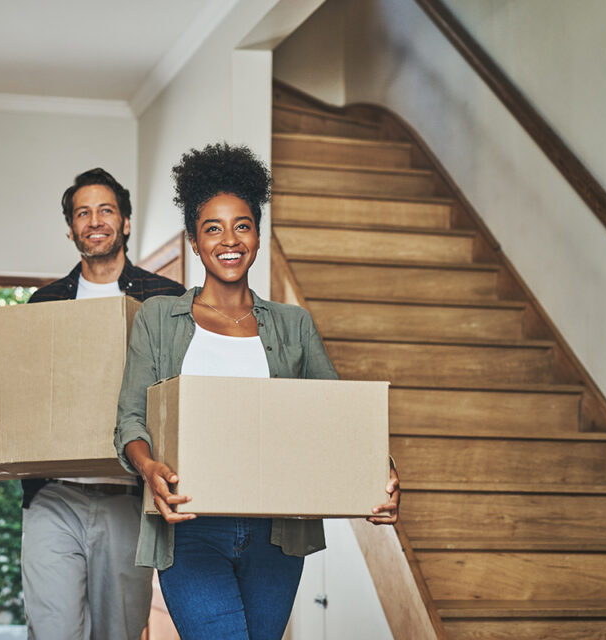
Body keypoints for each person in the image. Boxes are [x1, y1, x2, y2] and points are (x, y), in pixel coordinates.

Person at [113, 143, 400, 640]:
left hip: (278, 532)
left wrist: (381, 469)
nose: (229, 239)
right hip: (189, 526)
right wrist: (149, 466)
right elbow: (131, 420)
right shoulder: (159, 319)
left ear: (258, 236)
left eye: (242, 225)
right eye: (213, 228)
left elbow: (337, 418)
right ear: (195, 242)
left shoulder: (294, 325)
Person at [0, 167, 185, 640]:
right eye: (83, 213)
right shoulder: (45, 302)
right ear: (71, 228)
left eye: (105, 210)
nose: (94, 221)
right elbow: (20, 398)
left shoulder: (166, 299)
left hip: (126, 497)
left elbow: (180, 396)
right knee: (52, 630)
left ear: (126, 222)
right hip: (53, 497)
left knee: (118, 633)